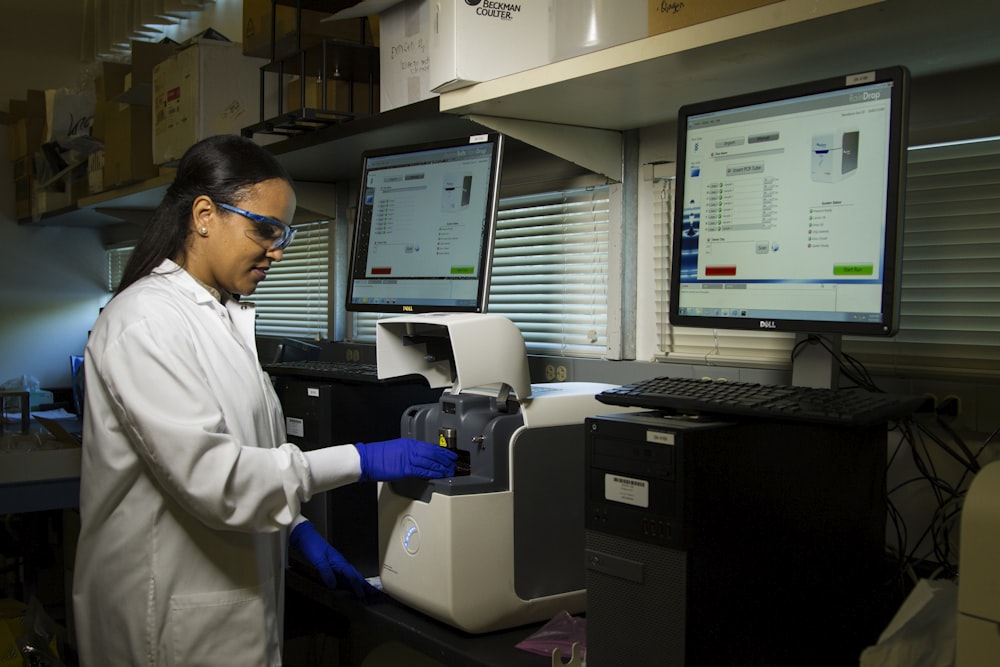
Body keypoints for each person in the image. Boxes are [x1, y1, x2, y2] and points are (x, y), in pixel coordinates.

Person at [71, 134, 457, 666]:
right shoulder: (145, 323)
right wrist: (361, 459)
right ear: (204, 214)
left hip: (223, 611)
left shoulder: (220, 316)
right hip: (165, 624)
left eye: (285, 234)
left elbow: (250, 452)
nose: (276, 250)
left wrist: (295, 529)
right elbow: (216, 478)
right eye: (264, 230)